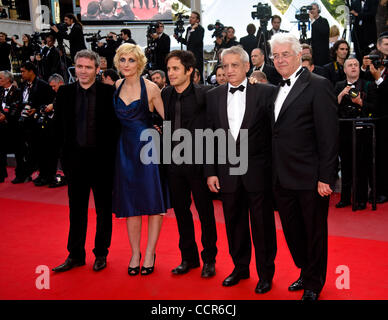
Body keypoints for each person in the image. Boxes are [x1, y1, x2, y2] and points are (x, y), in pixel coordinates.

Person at [269, 33, 338, 300]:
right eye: (276, 55)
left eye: (285, 54)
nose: (280, 59)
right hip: (281, 177)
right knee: (293, 232)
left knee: (314, 232)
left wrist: (326, 177)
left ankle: (313, 282)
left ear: (300, 55)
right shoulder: (277, 88)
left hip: (310, 178)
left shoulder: (318, 85)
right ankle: (305, 269)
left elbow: (329, 136)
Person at [206, 46, 277, 293]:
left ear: (247, 67)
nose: (229, 70)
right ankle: (240, 267)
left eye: (235, 65)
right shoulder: (213, 95)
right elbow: (210, 138)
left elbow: (275, 135)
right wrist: (211, 171)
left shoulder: (267, 92)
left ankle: (266, 274)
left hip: (259, 171)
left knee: (262, 225)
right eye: (225, 66)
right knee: (233, 222)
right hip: (227, 172)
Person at [52, 50, 120, 273]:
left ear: (97, 70)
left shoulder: (108, 93)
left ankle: (101, 253)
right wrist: (64, 160)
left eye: (88, 67)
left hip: (102, 163)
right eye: (79, 67)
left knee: (103, 210)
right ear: (75, 68)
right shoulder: (64, 92)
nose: (83, 71)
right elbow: (60, 129)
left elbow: (115, 129)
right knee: (76, 210)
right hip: (75, 162)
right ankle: (75, 255)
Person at [112, 43, 170, 276]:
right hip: (125, 151)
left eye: (131, 60)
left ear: (140, 62)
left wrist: (160, 133)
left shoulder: (152, 88)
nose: (126, 64)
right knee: (131, 205)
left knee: (153, 203)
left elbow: (170, 121)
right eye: (123, 60)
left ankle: (149, 252)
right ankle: (135, 253)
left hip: (148, 151)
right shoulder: (117, 85)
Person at [163, 50, 217, 278]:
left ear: (190, 71)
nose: (171, 73)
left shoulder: (206, 94)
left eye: (175, 69)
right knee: (182, 213)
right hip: (174, 165)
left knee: (205, 213)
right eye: (169, 69)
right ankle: (189, 258)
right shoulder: (165, 94)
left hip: (199, 165)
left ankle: (209, 260)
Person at [334, 57, 377, 210]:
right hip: (344, 130)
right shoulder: (338, 85)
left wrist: (360, 103)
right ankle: (345, 198)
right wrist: (339, 96)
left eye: (356, 65)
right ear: (344, 69)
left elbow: (374, 107)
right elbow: (330, 107)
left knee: (362, 165)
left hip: (362, 130)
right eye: (350, 65)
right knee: (345, 164)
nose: (353, 67)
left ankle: (360, 200)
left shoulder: (368, 85)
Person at [17, 61, 55, 186]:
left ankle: (47, 176)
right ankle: (40, 174)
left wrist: (37, 109)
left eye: (23, 71)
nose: (21, 74)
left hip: (41, 123)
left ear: (31, 71)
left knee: (44, 150)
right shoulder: (23, 85)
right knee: (34, 150)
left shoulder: (43, 85)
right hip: (27, 123)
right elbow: (23, 101)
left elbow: (50, 102)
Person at [361, 34, 388, 203]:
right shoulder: (370, 67)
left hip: (386, 119)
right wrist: (365, 69)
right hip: (370, 118)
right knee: (371, 157)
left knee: (384, 156)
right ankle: (375, 190)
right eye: (385, 43)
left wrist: (379, 78)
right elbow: (361, 83)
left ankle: (384, 190)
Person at [0, 70, 22, 182]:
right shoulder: (0, 91)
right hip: (1, 125)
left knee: (18, 150)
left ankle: (20, 174)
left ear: (8, 79)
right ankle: (1, 173)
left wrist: (5, 115)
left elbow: (16, 106)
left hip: (13, 125)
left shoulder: (17, 91)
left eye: (1, 79)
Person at [175, 11, 205, 83]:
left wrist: (193, 30)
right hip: (189, 55)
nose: (190, 19)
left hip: (197, 56)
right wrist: (178, 38)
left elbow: (196, 41)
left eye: (193, 18)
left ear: (198, 20)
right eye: (190, 17)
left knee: (197, 74)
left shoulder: (200, 29)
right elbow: (188, 42)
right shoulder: (189, 29)